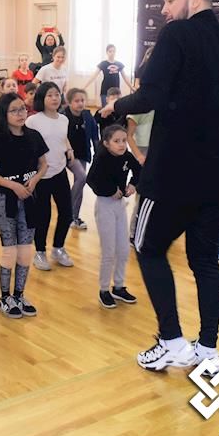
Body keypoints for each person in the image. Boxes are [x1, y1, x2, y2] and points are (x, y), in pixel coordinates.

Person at [99, 0, 219, 374]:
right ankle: (207, 350)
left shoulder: (177, 35)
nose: (165, 10)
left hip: (172, 174)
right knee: (204, 261)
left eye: (170, 0)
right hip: (218, 175)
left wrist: (115, 106)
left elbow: (150, 95)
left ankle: (171, 340)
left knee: (147, 248)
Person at [0, 92, 47, 318]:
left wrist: (35, 179)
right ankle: (4, 298)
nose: (20, 114)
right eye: (14, 110)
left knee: (25, 252)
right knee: (9, 251)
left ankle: (19, 295)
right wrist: (12, 185)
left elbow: (44, 164)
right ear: (5, 114)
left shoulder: (34, 136)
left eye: (22, 109)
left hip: (29, 199)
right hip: (5, 200)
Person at [86, 125, 141, 309]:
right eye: (116, 141)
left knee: (123, 249)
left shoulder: (126, 156)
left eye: (124, 140)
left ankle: (118, 286)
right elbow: (91, 180)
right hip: (105, 206)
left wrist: (133, 184)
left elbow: (139, 171)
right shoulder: (101, 158)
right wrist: (110, 190)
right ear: (106, 143)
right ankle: (104, 290)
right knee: (108, 251)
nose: (122, 144)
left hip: (119, 206)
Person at [25, 81, 74, 270]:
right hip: (41, 176)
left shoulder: (64, 119)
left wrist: (69, 148)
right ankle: (40, 252)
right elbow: (27, 144)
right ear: (42, 98)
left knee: (67, 212)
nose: (54, 98)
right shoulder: (33, 121)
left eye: (57, 94)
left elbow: (62, 137)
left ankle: (58, 248)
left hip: (60, 171)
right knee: (43, 216)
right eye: (50, 95)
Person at [63, 88, 99, 231]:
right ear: (69, 102)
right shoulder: (63, 116)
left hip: (82, 154)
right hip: (64, 155)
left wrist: (98, 153)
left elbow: (95, 135)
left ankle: (74, 217)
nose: (80, 103)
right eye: (76, 101)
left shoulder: (87, 116)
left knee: (81, 180)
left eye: (82, 100)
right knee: (81, 178)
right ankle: (68, 211)